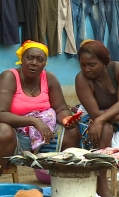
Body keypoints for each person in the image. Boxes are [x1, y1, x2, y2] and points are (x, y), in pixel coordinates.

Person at [0, 40, 80, 175]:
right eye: (29, 58)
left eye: (40, 59)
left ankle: (61, 180)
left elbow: (60, 108)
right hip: (16, 137)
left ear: (45, 63)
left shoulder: (49, 78)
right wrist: (34, 122)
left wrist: (67, 119)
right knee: (3, 131)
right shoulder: (10, 77)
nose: (34, 63)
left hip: (46, 136)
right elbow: (1, 113)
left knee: (72, 132)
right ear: (21, 58)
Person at [75, 40, 119, 197]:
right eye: (83, 65)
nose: (86, 69)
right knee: (104, 128)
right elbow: (93, 114)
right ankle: (101, 182)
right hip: (91, 118)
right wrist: (102, 120)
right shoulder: (82, 79)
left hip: (117, 115)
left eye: (91, 64)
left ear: (104, 61)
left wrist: (104, 119)